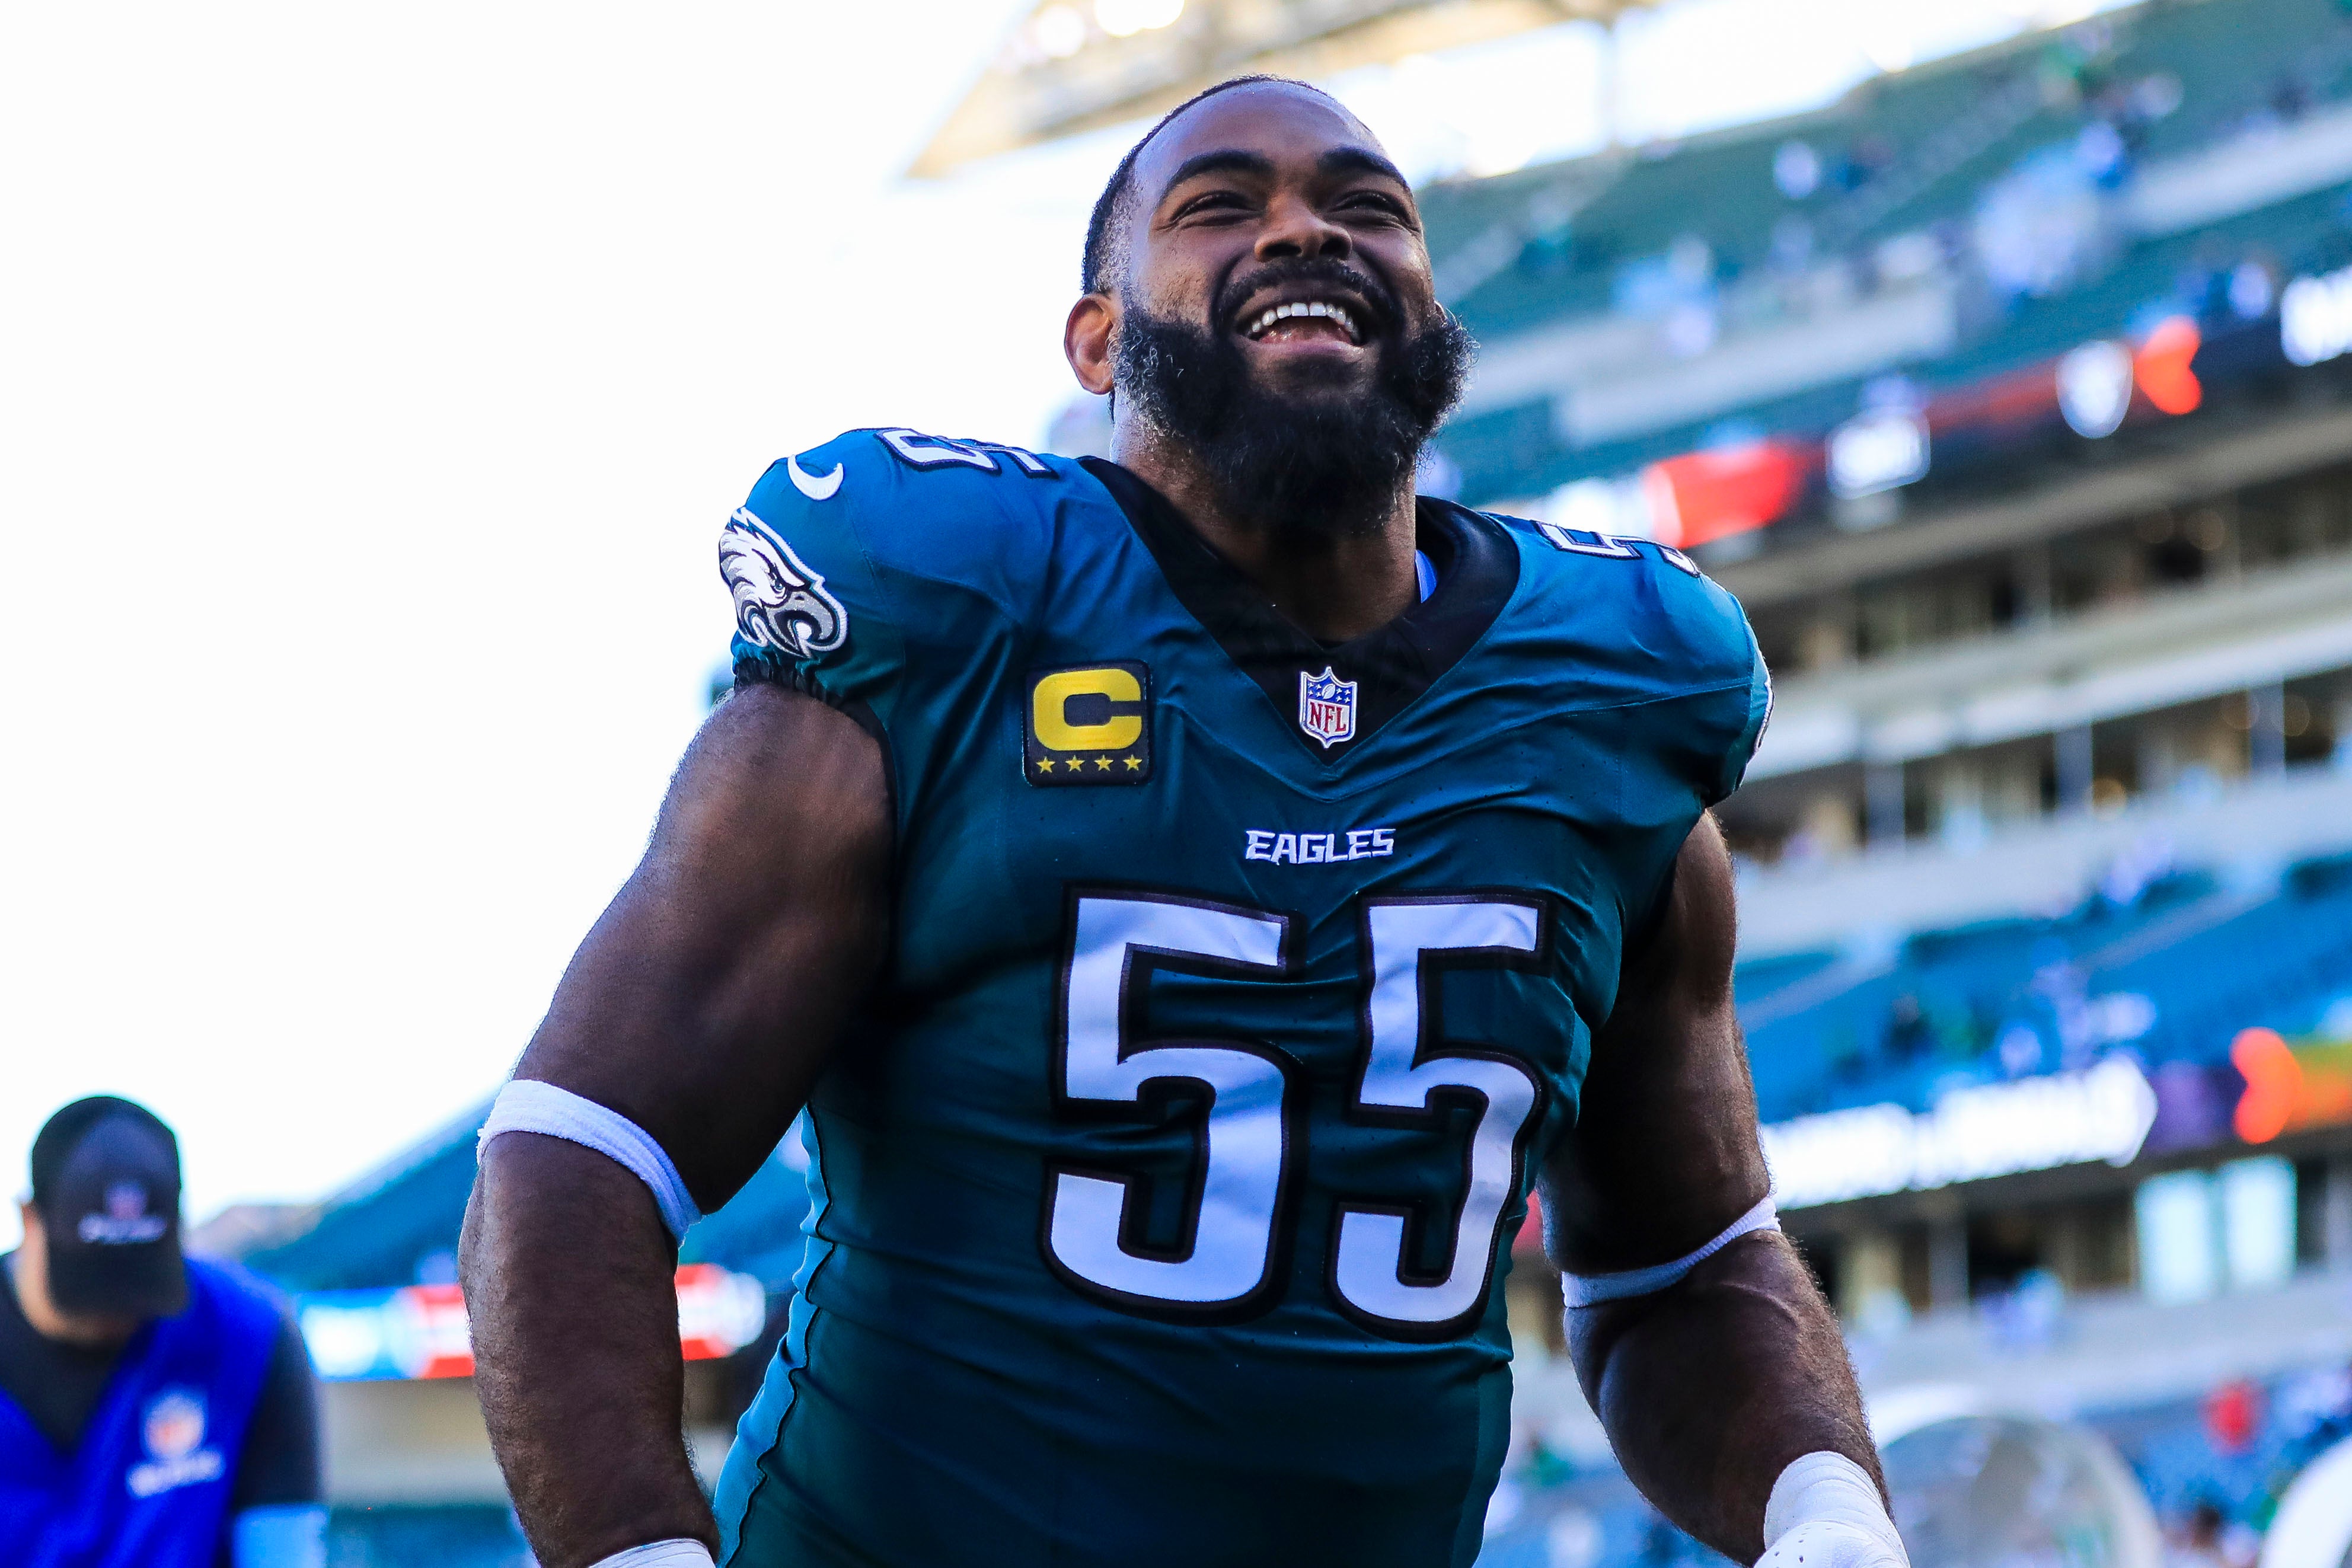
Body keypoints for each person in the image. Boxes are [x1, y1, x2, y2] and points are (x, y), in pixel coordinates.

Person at [461, 76, 1909, 1568]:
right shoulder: (954, 619)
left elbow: (1682, 1263)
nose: (1304, 232)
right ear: (1097, 339)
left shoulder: (1602, 696)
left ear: (1426, 315)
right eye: (1221, 206)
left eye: (1366, 208)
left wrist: (1826, 1516)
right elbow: (578, 1149)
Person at [1, 1096, 325, 1568]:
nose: (116, 1308)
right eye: (92, 1282)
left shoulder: (248, 1334)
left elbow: (284, 1550)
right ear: (30, 1219)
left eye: (139, 1282)